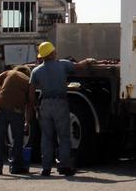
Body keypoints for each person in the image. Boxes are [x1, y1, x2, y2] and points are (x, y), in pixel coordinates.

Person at [29, 41, 96, 177]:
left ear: (42, 55)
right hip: (60, 103)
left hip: (45, 104)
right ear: (52, 53)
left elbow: (31, 91)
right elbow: (78, 66)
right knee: (63, 136)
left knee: (46, 137)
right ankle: (64, 166)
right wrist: (88, 61)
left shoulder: (36, 71)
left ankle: (46, 168)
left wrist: (35, 105)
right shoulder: (62, 64)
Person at [0, 64, 34, 175]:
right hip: (17, 112)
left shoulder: (9, 73)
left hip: (0, 109)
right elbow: (30, 103)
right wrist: (27, 121)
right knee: (17, 140)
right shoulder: (28, 81)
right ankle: (15, 167)